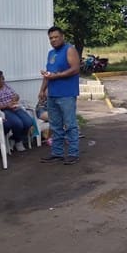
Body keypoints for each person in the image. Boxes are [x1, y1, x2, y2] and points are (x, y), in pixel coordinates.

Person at [39, 26, 80, 164]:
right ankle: (57, 153)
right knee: (55, 125)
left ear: (62, 37)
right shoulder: (51, 53)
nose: (53, 40)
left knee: (70, 124)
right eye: (51, 38)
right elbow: (48, 74)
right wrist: (42, 90)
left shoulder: (69, 50)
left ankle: (73, 153)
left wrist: (57, 76)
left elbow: (75, 69)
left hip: (67, 94)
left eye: (56, 37)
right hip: (52, 95)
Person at [0, 70, 34, 152]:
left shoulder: (6, 86)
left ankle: (13, 138)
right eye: (2, 78)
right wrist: (6, 105)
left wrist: (15, 98)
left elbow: (16, 95)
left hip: (14, 107)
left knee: (28, 122)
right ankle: (18, 141)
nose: (4, 80)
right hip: (3, 110)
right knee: (18, 124)